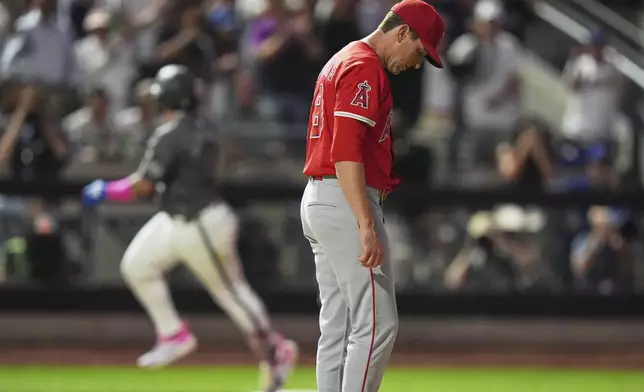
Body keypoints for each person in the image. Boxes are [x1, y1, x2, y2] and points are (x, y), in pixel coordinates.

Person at [80, 64, 297, 392]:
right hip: (176, 219)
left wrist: (105, 190)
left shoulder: (173, 133)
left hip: (201, 224)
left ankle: (275, 350)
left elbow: (144, 186)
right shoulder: (200, 125)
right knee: (137, 266)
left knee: (231, 293)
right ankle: (172, 333)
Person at [300, 1, 445, 391]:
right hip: (345, 199)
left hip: (321, 197)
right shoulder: (364, 65)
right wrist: (365, 221)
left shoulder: (342, 58)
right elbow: (346, 150)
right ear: (402, 32)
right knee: (378, 324)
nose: (417, 63)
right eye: (419, 51)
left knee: (338, 324)